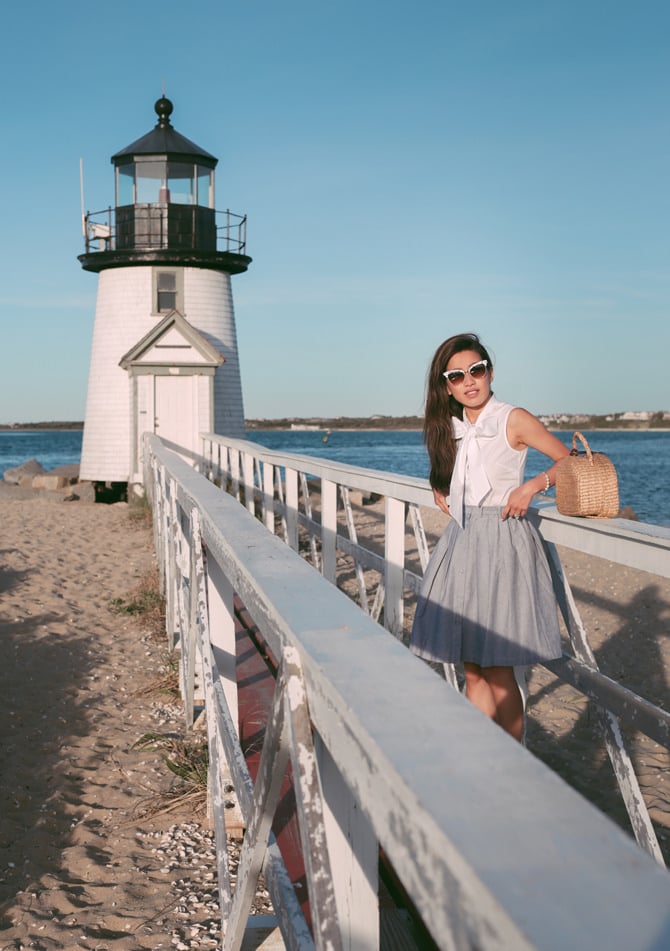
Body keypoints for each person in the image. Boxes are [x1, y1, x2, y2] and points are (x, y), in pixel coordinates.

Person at [410, 332, 571, 740]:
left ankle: (513, 764)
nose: (469, 381)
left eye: (476, 370)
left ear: (490, 371)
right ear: (446, 385)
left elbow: (570, 461)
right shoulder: (451, 425)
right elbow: (456, 473)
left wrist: (532, 486)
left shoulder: (511, 418)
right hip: (463, 541)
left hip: (503, 540)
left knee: (498, 668)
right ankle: (478, 757)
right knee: (471, 666)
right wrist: (438, 482)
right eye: (457, 375)